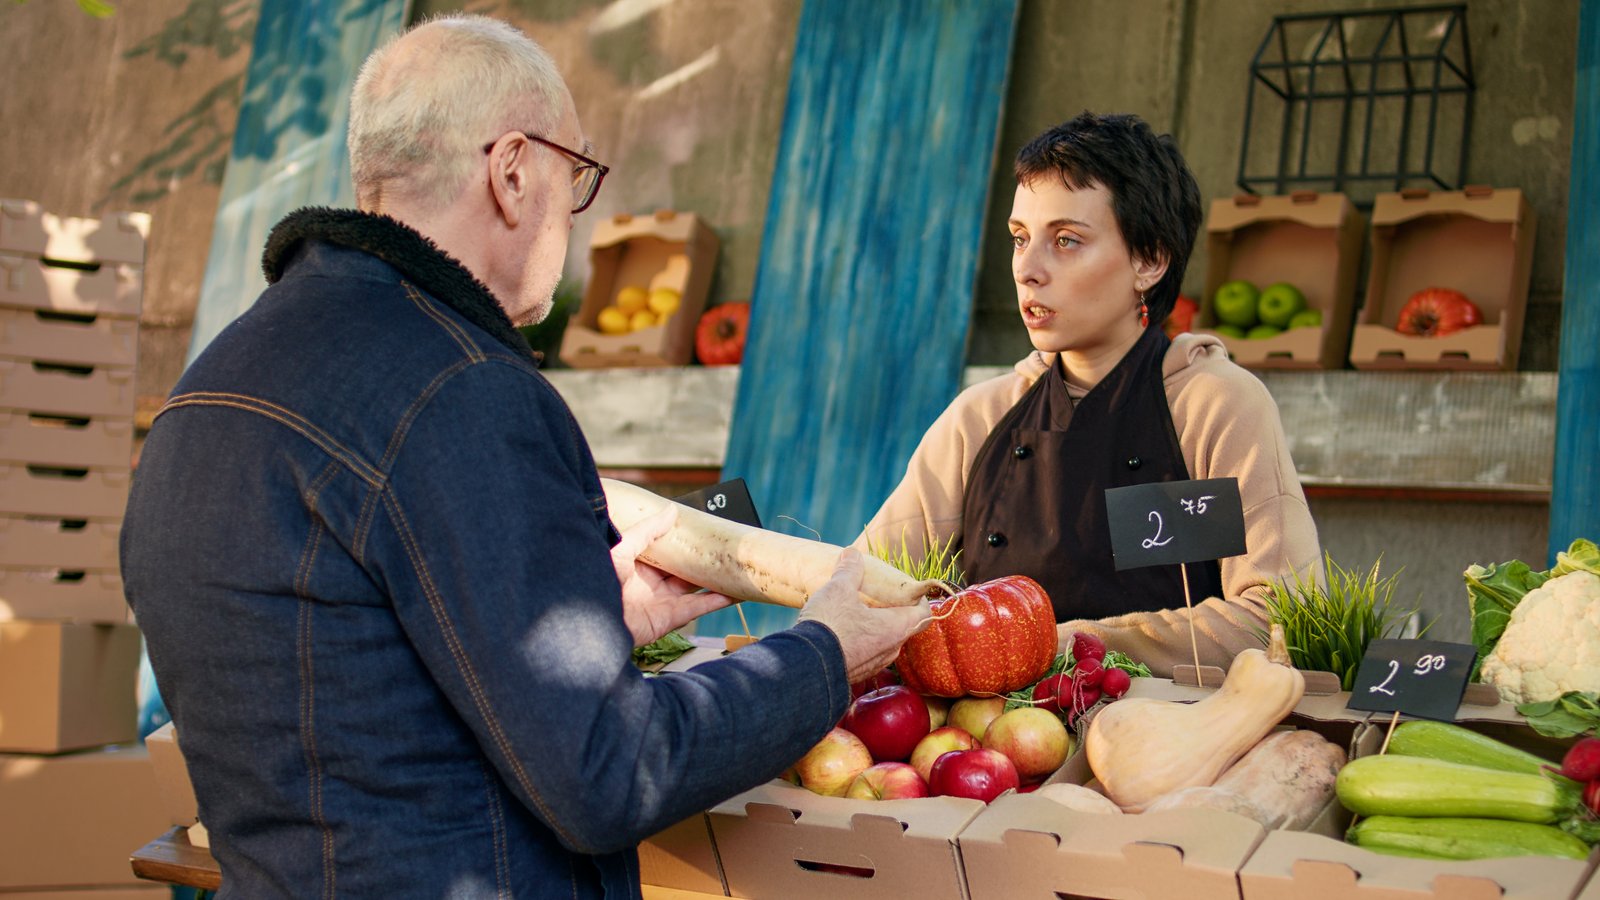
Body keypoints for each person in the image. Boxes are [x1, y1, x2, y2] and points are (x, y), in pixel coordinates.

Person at [121, 15, 928, 898]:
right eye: (574, 174)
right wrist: (824, 653)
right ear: (511, 172)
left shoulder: (207, 388)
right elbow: (607, 776)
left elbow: (338, 679)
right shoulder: (464, 391)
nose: (573, 215)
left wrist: (600, 627)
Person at [854, 111, 1320, 675]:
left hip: (1165, 742)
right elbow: (868, 587)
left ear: (1149, 260)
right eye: (1020, 239)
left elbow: (1274, 618)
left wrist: (1055, 645)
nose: (1027, 269)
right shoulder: (981, 416)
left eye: (1067, 240)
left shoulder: (1216, 404)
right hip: (988, 745)